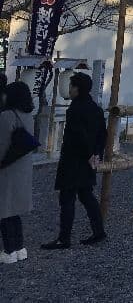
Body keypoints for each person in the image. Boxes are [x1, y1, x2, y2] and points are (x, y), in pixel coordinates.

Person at [41, 73, 107, 250]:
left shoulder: (75, 110)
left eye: (71, 86)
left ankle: (64, 238)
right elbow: (102, 134)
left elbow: (78, 136)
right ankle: (99, 231)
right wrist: (96, 154)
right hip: (89, 160)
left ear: (77, 88)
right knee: (87, 196)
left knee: (67, 199)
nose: (69, 89)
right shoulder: (96, 108)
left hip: (73, 160)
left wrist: (88, 153)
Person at [0, 81, 35, 263]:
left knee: (4, 210)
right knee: (15, 211)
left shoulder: (6, 116)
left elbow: (2, 145)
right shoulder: (28, 115)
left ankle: (9, 251)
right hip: (23, 168)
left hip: (7, 169)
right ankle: (20, 248)